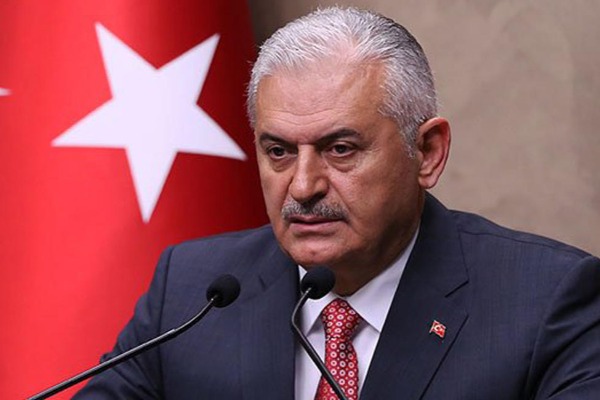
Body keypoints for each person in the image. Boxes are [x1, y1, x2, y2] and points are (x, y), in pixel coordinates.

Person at [74, 6, 600, 399]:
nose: (303, 187)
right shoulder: (194, 292)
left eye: (340, 149)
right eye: (278, 151)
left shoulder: (546, 303)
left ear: (427, 152)